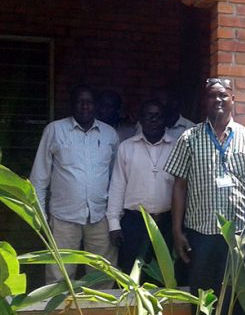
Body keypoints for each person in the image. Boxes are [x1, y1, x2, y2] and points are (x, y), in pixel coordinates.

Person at [164, 78, 245, 315]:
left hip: (239, 238)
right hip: (202, 236)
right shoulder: (189, 138)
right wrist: (177, 230)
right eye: (211, 96)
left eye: (223, 95)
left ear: (233, 98)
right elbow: (179, 185)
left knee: (236, 305)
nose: (217, 101)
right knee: (204, 306)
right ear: (204, 101)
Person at [31, 84, 119, 281]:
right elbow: (39, 177)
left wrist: (115, 218)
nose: (85, 106)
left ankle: (97, 303)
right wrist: (40, 217)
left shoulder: (110, 134)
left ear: (96, 105)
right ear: (71, 104)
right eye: (80, 102)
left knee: (102, 276)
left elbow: (117, 179)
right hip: (63, 218)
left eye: (89, 102)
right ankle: (60, 303)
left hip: (100, 218)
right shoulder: (55, 130)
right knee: (59, 275)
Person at [107, 100, 176, 273]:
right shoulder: (126, 147)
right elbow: (117, 186)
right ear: (140, 119)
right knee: (131, 274)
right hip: (134, 223)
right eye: (148, 116)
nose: (153, 120)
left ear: (165, 120)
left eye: (158, 116)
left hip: (165, 223)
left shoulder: (177, 147)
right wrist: (114, 224)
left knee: (162, 275)